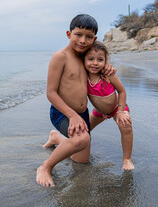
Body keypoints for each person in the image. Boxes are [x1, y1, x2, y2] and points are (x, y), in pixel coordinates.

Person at [36, 14, 115, 188]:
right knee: (82, 140)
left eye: (88, 37)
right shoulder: (60, 56)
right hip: (63, 113)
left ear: (94, 39)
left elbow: (99, 63)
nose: (82, 40)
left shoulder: (86, 58)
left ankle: (57, 138)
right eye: (78, 34)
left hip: (82, 114)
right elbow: (50, 92)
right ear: (68, 34)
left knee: (81, 161)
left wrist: (106, 66)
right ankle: (45, 167)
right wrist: (72, 116)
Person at [83, 41, 134, 170]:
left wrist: (121, 111)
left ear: (106, 61)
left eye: (100, 59)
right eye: (90, 59)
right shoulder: (83, 75)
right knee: (83, 132)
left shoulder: (108, 75)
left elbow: (122, 91)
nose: (95, 63)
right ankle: (56, 138)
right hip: (99, 111)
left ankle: (127, 159)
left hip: (117, 108)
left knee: (126, 125)